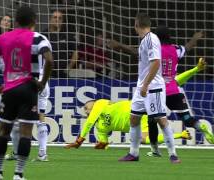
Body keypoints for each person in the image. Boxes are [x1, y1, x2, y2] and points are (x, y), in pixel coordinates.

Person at [0, 6, 53, 180]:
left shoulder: (3, 37)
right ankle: (18, 174)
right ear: (34, 21)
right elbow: (50, 60)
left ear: (15, 21)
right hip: (29, 89)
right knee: (26, 132)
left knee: (3, 131)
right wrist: (42, 83)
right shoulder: (38, 38)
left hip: (9, 89)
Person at [118, 13, 180, 163]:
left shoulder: (151, 39)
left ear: (136, 25)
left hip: (153, 87)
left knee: (161, 120)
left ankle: (173, 155)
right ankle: (133, 153)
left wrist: (145, 84)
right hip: (142, 86)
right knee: (134, 118)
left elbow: (156, 63)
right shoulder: (145, 40)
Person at [147, 26, 213, 156]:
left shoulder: (155, 51)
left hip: (157, 90)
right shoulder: (176, 50)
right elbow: (188, 47)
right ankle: (201, 126)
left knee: (152, 120)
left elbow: (135, 53)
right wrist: (195, 38)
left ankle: (155, 150)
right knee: (187, 118)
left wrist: (119, 46)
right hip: (173, 89)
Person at [65, 99, 192, 149]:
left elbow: (89, 122)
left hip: (137, 109)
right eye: (85, 110)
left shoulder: (100, 103)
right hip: (139, 121)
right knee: (145, 140)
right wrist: (102, 145)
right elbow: (104, 141)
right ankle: (180, 135)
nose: (86, 110)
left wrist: (79, 140)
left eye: (87, 107)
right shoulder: (100, 127)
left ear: (94, 102)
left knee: (164, 93)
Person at [42, 10, 77, 78]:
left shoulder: (67, 35)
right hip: (46, 73)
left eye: (60, 18)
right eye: (55, 17)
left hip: (63, 74)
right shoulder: (43, 35)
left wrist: (69, 67)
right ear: (50, 19)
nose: (57, 20)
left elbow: (75, 52)